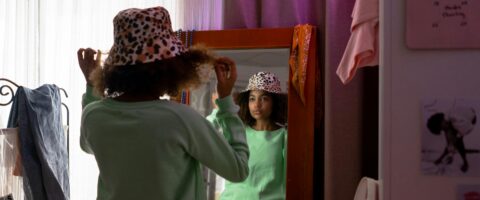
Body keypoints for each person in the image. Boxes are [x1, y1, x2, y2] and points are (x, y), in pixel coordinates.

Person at [77, 6, 249, 200]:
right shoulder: (180, 119)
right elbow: (238, 169)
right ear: (170, 67)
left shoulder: (93, 115)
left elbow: (87, 144)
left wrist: (91, 84)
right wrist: (226, 101)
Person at [208, 71, 288, 200]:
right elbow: (205, 135)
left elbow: (290, 182)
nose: (257, 104)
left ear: (275, 102)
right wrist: (217, 110)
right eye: (252, 98)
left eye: (264, 98)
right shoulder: (238, 131)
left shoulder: (284, 137)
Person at [427, 106, 476, 173]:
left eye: (441, 128)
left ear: (441, 120)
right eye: (441, 130)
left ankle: (465, 162)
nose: (443, 130)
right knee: (449, 135)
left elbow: (467, 128)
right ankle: (447, 155)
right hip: (464, 115)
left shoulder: (456, 122)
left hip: (469, 121)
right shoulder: (447, 118)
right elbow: (448, 136)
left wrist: (457, 137)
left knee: (458, 142)